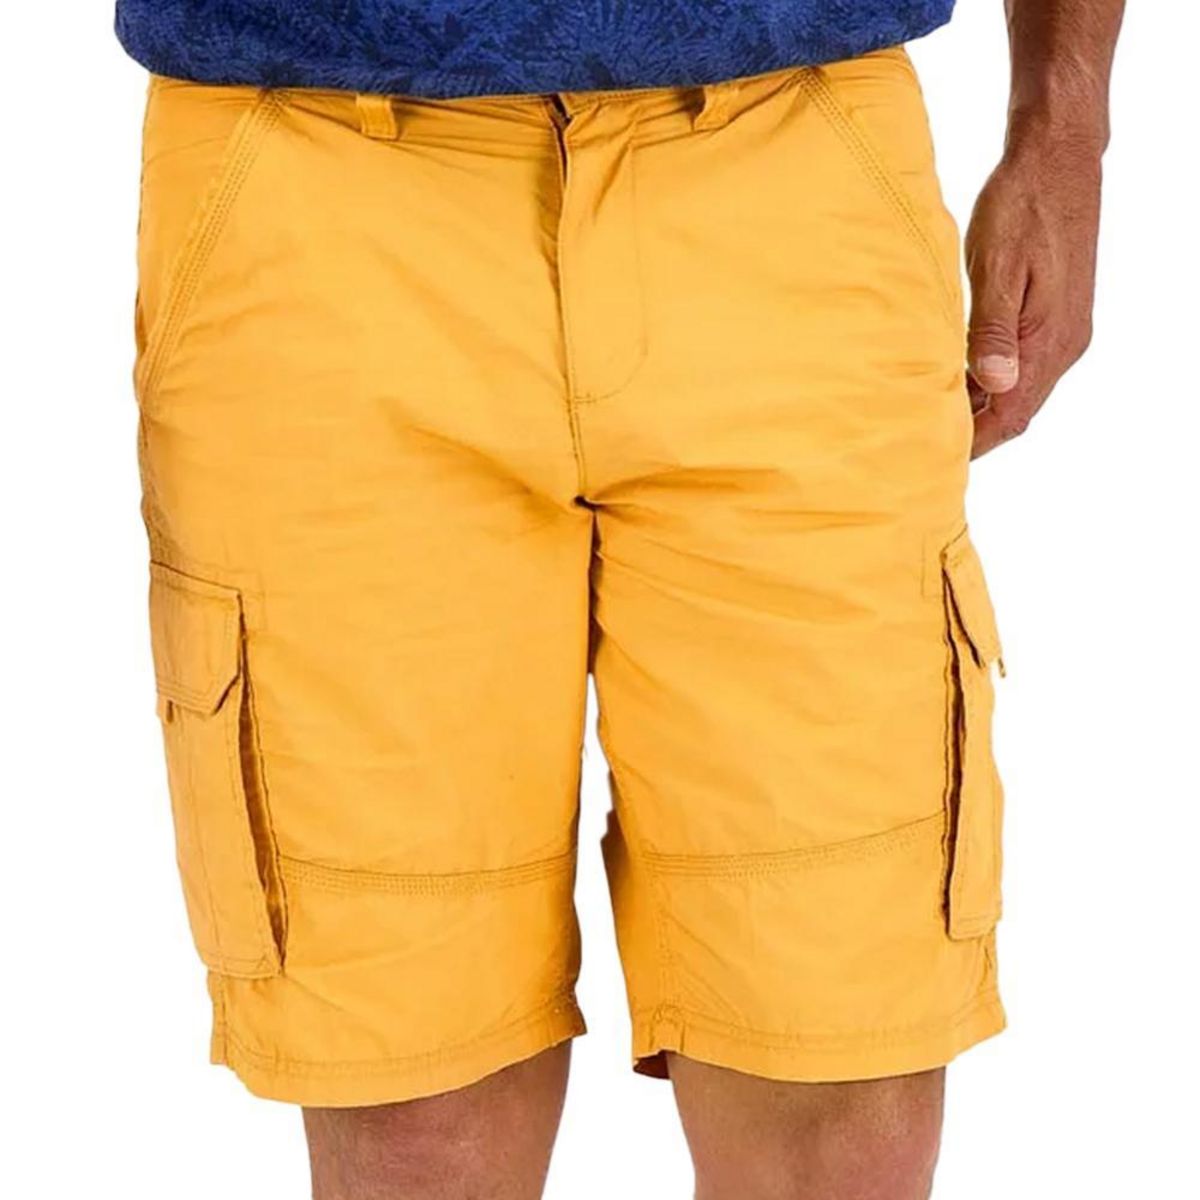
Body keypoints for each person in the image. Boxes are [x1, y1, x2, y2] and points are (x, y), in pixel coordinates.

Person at [116, 1, 1124, 1196]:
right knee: (410, 1120)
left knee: (842, 1093)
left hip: (788, 153)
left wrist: (1062, 125)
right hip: (310, 172)